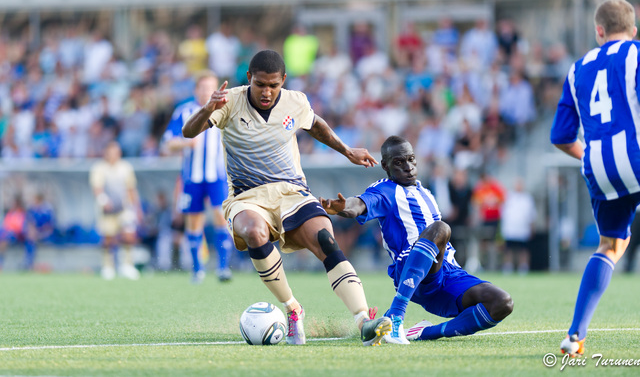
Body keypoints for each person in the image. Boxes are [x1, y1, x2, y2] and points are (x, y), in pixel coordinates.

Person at [182, 49, 392, 346]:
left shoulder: (296, 101)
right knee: (254, 231)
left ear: (283, 80)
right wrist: (207, 108)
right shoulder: (230, 101)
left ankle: (363, 320)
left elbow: (316, 124)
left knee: (325, 239)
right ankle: (293, 309)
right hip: (247, 196)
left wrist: (348, 150)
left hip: (291, 191)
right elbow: (188, 131)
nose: (266, 92)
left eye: (273, 85)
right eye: (259, 84)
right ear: (249, 79)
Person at [320, 135, 513, 345]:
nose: (408, 166)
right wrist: (343, 208)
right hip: (411, 267)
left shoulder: (426, 192)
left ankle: (423, 332)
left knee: (502, 302)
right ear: (385, 165)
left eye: (411, 159)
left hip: (447, 272)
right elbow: (359, 204)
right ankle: (396, 314)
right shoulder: (384, 190)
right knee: (441, 228)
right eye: (399, 162)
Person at [550, 0, 640, 357]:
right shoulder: (636, 54)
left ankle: (574, 336)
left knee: (610, 245)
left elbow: (560, 136)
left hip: (600, 166)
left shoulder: (577, 68)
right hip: (635, 154)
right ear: (633, 31)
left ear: (598, 32)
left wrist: (589, 154)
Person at [162, 70, 233, 284]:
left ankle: (222, 268)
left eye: (211, 87)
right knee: (194, 222)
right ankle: (198, 270)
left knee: (222, 219)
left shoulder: (225, 109)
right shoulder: (184, 111)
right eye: (202, 87)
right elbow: (167, 143)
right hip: (192, 177)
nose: (206, 92)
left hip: (217, 176)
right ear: (196, 90)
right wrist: (186, 143)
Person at [89, 141, 143, 280]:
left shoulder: (126, 167)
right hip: (107, 211)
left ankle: (127, 265)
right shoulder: (99, 168)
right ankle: (108, 266)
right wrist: (104, 201)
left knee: (129, 235)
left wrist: (137, 208)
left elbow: (131, 189)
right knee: (108, 238)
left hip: (124, 208)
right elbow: (97, 188)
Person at [500, 178, 536, 275]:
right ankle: (508, 266)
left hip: (523, 228)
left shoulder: (527, 198)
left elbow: (531, 215)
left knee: (523, 249)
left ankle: (523, 267)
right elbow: (503, 213)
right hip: (510, 228)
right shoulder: (508, 197)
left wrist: (532, 228)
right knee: (508, 249)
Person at [24, 192, 57, 270]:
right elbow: (29, 223)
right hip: (34, 235)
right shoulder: (32, 210)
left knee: (32, 239)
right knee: (30, 240)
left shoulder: (47, 211)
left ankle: (32, 264)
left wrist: (40, 234)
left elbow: (50, 226)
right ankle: (29, 263)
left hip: (46, 235)